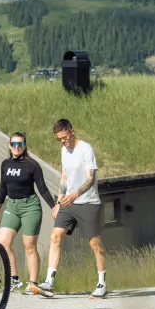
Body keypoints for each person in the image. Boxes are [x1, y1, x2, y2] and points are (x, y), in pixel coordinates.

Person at [39, 118, 107, 299]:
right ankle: (49, 281)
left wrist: (75, 195)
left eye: (64, 137)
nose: (63, 141)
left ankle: (102, 283)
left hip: (88, 202)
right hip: (68, 202)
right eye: (59, 139)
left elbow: (90, 178)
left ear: (72, 131)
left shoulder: (86, 149)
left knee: (94, 243)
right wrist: (58, 203)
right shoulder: (64, 150)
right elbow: (64, 178)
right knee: (55, 236)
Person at [0, 132, 56, 296]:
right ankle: (14, 278)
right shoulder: (5, 164)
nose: (16, 147)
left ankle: (33, 284)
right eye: (13, 144)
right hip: (12, 206)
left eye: (20, 144)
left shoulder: (32, 165)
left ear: (25, 146)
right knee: (3, 242)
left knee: (29, 247)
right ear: (9, 146)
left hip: (30, 206)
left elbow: (42, 188)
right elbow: (3, 187)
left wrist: (54, 206)